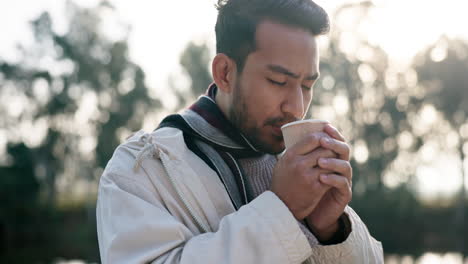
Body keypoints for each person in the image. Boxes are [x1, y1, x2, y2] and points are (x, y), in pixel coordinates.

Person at [96, 0, 383, 263]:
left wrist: (329, 230)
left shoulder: (297, 169)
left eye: (307, 86)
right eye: (278, 81)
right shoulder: (140, 168)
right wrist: (282, 209)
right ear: (225, 73)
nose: (296, 108)